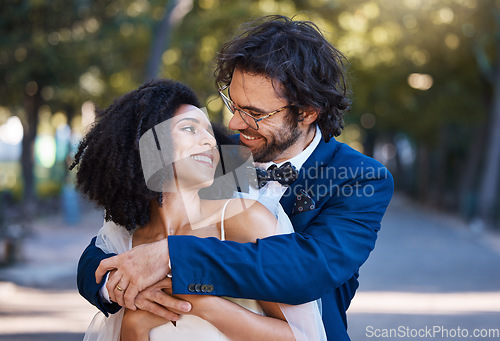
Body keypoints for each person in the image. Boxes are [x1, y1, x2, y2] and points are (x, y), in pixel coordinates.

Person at [77, 15, 394, 340]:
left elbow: (308, 268)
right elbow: (104, 251)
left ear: (308, 112)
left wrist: (173, 255)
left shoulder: (358, 178)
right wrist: (116, 287)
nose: (233, 124)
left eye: (255, 114)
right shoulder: (217, 157)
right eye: (233, 103)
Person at [72, 78, 326, 340]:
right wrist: (134, 322)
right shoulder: (127, 241)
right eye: (190, 129)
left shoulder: (245, 218)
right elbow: (93, 274)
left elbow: (303, 336)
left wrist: (200, 303)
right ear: (148, 145)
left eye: (208, 131)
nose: (209, 141)